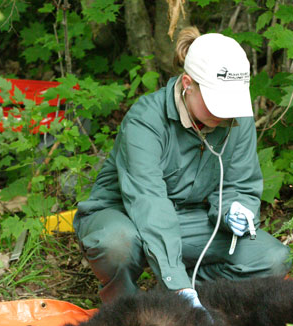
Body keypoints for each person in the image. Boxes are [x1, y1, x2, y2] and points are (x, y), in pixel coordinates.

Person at [73, 26, 291, 305]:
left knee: (272, 259)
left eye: (231, 103)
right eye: (217, 103)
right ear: (187, 84)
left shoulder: (237, 118)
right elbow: (148, 203)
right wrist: (177, 284)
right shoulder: (146, 121)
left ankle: (182, 299)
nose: (225, 114)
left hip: (191, 220)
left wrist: (233, 210)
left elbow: (239, 184)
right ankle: (127, 310)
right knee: (116, 245)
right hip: (126, 213)